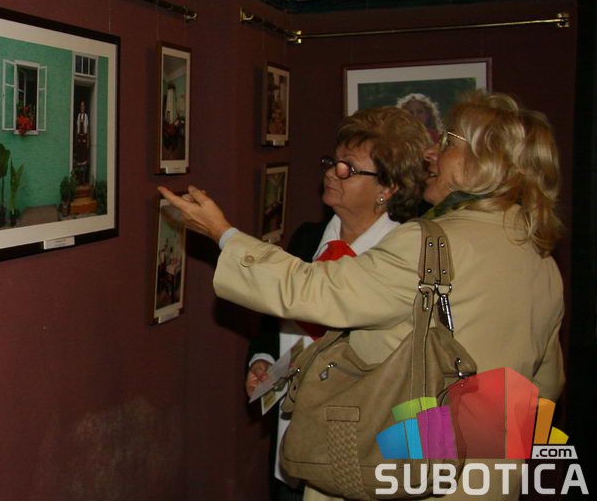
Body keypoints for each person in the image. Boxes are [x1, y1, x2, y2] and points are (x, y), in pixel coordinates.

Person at [160, 91, 565, 500]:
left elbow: (314, 291)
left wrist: (222, 234)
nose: (431, 153)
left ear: (484, 162)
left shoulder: (429, 244)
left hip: (402, 480)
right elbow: (544, 385)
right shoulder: (538, 257)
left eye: (447, 142)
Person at [244, 107, 431, 501]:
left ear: (388, 188)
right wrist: (262, 360)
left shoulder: (405, 255)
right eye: (333, 162)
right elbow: (274, 317)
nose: (332, 173)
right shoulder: (307, 238)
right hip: (292, 440)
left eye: (349, 168)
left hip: (366, 447)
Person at [74, 100, 90, 183]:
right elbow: (77, 127)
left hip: (84, 137)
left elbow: (87, 128)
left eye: (83, 106)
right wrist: (76, 139)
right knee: (79, 158)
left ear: (85, 107)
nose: (82, 107)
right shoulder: (78, 116)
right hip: (79, 138)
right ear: (80, 107)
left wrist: (88, 141)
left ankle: (83, 179)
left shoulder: (86, 116)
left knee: (84, 158)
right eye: (81, 106)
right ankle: (79, 178)